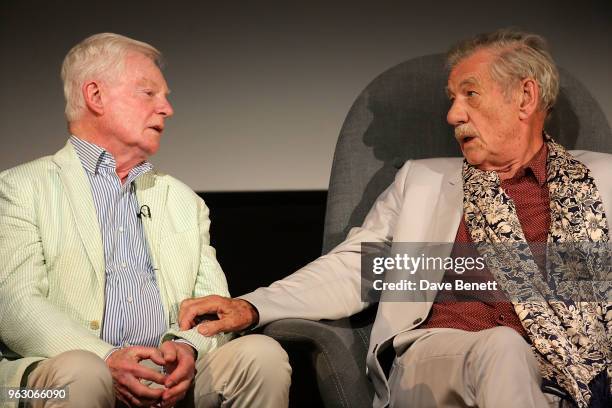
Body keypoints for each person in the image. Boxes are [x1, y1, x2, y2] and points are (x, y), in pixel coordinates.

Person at [178, 29, 612, 408]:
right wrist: (254, 306)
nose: (453, 114)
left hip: (572, 367)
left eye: (470, 94)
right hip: (439, 358)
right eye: (452, 99)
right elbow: (356, 271)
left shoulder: (603, 182)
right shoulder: (424, 184)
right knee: (503, 348)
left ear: (525, 97)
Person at [0, 33, 290, 408]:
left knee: (259, 355)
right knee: (84, 374)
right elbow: (15, 303)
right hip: (54, 379)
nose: (166, 109)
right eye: (149, 93)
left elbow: (211, 307)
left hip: (168, 378)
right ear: (95, 96)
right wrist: (105, 357)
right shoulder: (21, 188)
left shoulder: (183, 201)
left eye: (165, 97)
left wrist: (186, 348)